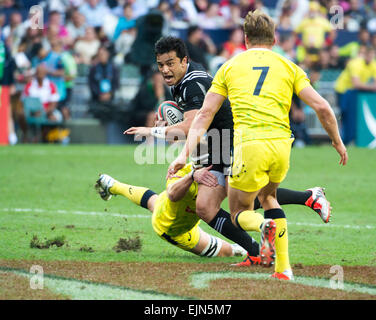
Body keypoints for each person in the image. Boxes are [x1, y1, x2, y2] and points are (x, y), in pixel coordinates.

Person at [125, 36, 333, 268]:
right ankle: (260, 245)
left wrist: (151, 131)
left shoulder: (191, 85)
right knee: (211, 206)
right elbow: (192, 124)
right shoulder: (186, 78)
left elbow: (189, 127)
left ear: (184, 60)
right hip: (219, 144)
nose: (165, 69)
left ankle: (295, 211)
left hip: (230, 142)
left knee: (240, 202)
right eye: (161, 64)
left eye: (170, 63)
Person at [167, 10, 347, 280]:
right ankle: (283, 268)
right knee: (269, 197)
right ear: (274, 38)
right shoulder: (289, 66)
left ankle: (264, 226)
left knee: (240, 211)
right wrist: (337, 141)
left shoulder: (229, 66)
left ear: (246, 38)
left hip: (249, 146)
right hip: (282, 146)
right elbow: (322, 106)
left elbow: (204, 114)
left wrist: (184, 154)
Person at [95, 165, 250, 259]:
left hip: (168, 208)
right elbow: (173, 193)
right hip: (175, 229)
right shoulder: (181, 170)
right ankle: (245, 249)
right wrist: (191, 176)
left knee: (154, 202)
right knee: (229, 251)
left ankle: (113, 185)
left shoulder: (217, 168)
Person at [335, 46, 376, 145]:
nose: (371, 57)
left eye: (373, 55)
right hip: (343, 90)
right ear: (365, 54)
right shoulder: (355, 64)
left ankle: (350, 139)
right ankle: (342, 140)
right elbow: (356, 84)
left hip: (354, 93)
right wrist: (372, 87)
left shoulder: (373, 65)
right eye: (369, 55)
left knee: (353, 115)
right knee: (344, 115)